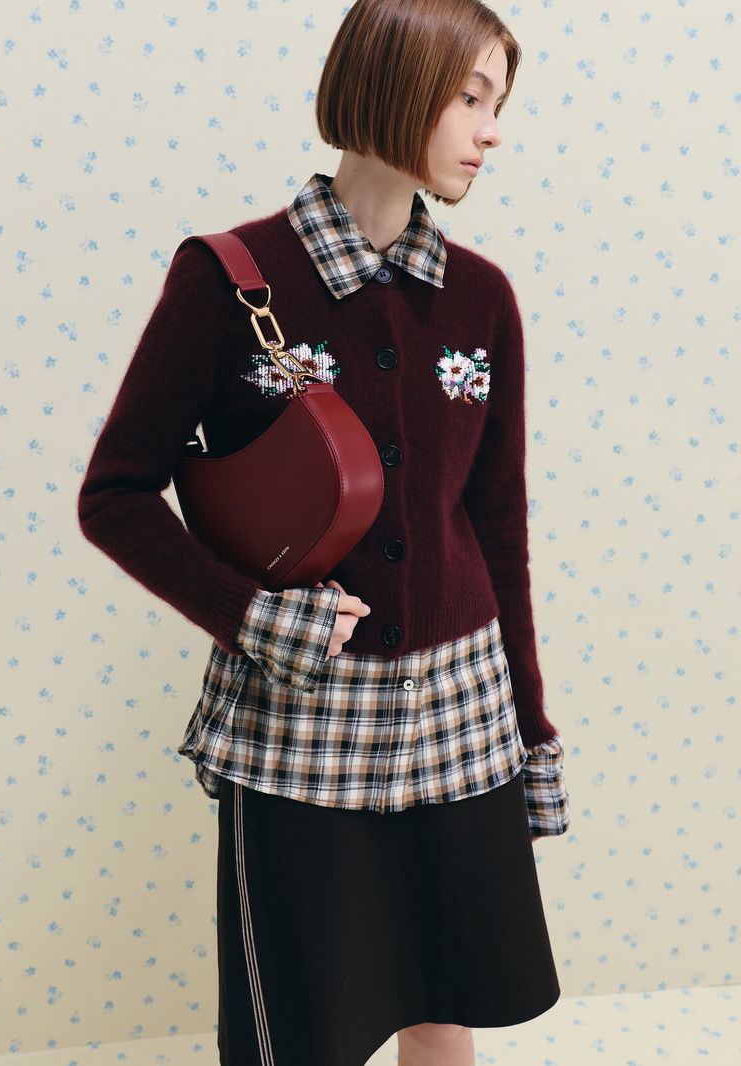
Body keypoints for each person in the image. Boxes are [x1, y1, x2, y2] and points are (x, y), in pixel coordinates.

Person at [77, 1, 571, 1063]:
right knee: (301, 1027)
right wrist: (256, 618)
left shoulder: (481, 299)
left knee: (445, 1000)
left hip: (460, 709)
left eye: (500, 104)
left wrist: (530, 723)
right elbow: (113, 495)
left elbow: (496, 524)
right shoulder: (228, 280)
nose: (491, 131)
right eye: (470, 97)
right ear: (395, 83)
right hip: (300, 724)